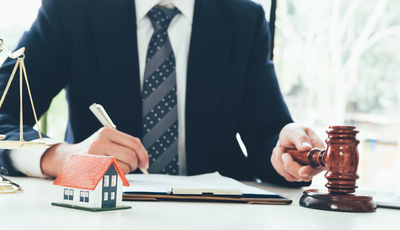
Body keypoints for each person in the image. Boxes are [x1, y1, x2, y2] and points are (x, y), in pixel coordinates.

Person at [0, 0, 324, 186]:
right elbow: (3, 113)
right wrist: (59, 156)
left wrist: (288, 153)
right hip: (99, 215)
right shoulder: (71, 9)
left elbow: (267, 136)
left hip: (218, 226)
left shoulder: (244, 18)